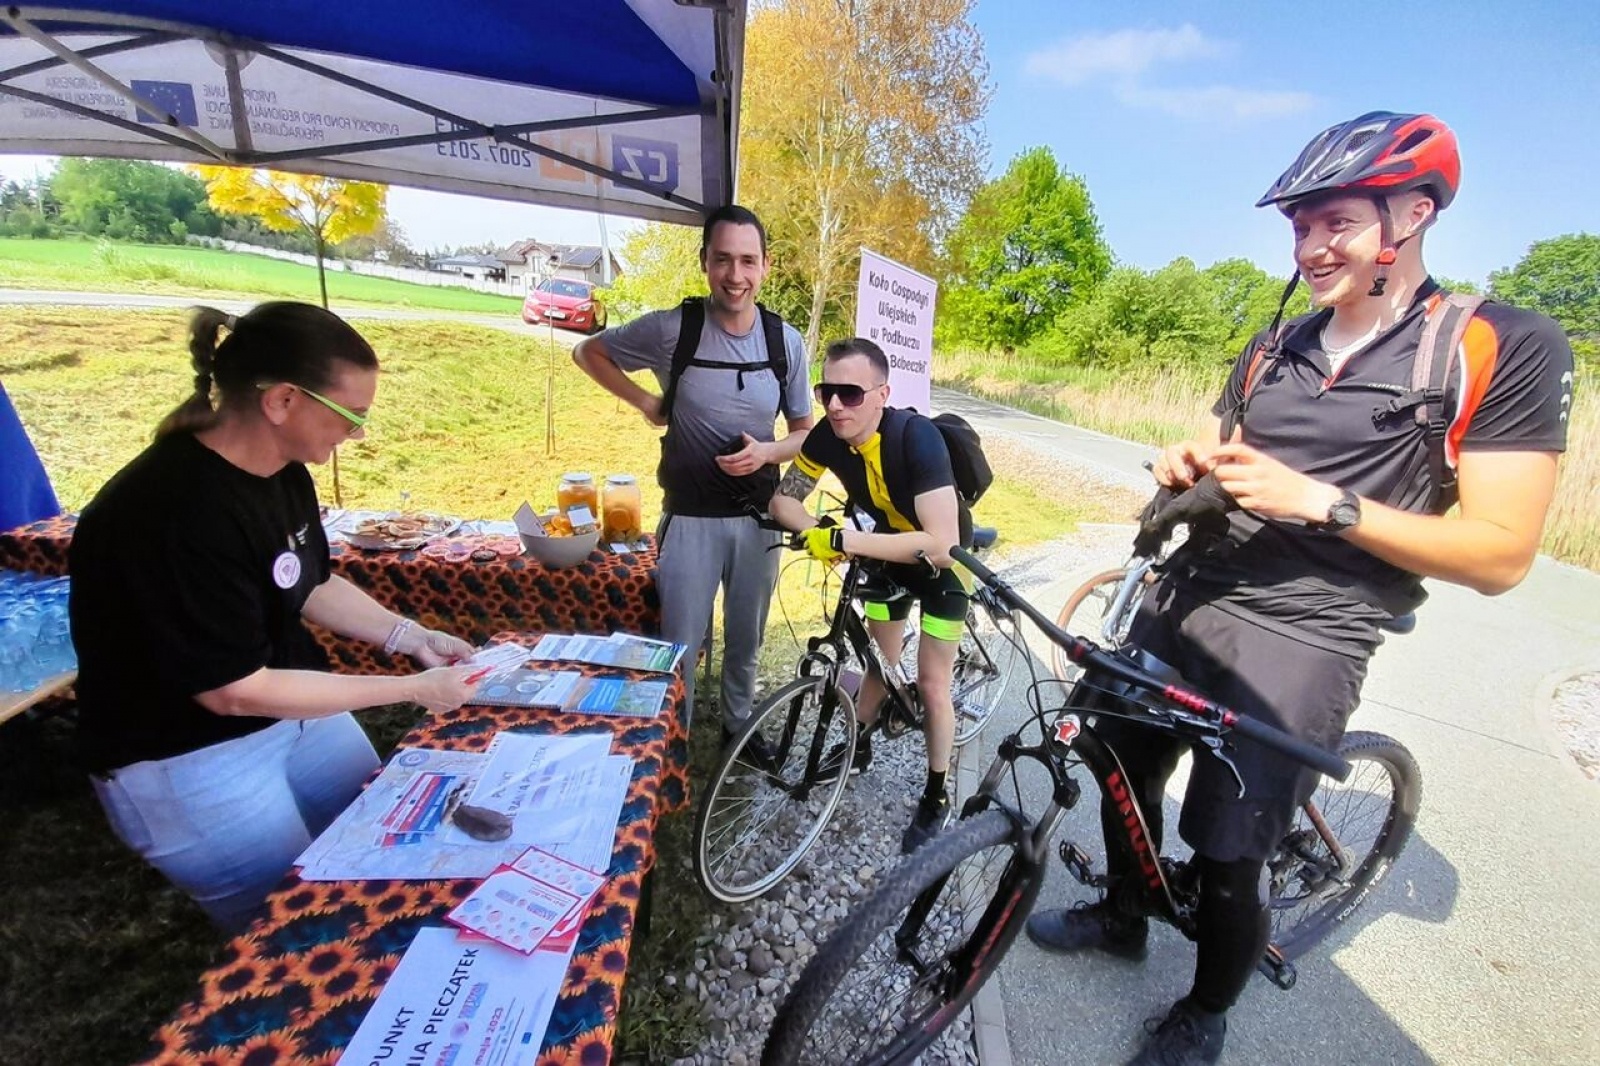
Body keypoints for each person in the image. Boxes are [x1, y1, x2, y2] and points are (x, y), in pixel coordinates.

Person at [1023, 111, 1574, 1065]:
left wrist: (1325, 503)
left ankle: (1205, 1013)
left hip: (1311, 625)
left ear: (1413, 212)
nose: (1310, 246)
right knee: (1117, 761)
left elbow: (1500, 554)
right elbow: (1228, 461)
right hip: (1194, 586)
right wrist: (1185, 463)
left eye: (1336, 224)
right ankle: (1123, 916)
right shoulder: (1274, 345)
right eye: (1299, 227)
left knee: (1231, 846)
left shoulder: (1498, 345)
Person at [69, 302, 481, 932]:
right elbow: (233, 692)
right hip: (186, 755)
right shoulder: (167, 513)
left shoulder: (283, 472)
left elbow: (308, 579)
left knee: (376, 849)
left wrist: (409, 636)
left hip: (293, 713)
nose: (359, 435)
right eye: (352, 417)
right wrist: (412, 689)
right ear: (283, 400)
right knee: (290, 926)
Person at [572, 205, 813, 745]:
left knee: (747, 639)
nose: (736, 274)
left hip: (757, 521)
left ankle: (738, 731)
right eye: (723, 259)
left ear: (766, 266)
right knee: (677, 642)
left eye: (748, 261)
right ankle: (669, 744)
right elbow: (588, 351)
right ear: (704, 262)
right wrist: (646, 402)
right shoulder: (672, 329)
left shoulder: (785, 342)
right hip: (690, 516)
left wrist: (768, 454)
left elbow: (805, 434)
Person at [768, 338, 968, 854]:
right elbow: (782, 500)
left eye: (850, 393)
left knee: (930, 683)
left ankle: (937, 791)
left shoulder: (916, 438)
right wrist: (816, 528)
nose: (835, 405)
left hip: (939, 568)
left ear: (882, 394)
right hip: (881, 556)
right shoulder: (829, 435)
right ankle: (858, 748)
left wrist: (846, 540)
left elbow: (943, 545)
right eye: (826, 390)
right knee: (880, 661)